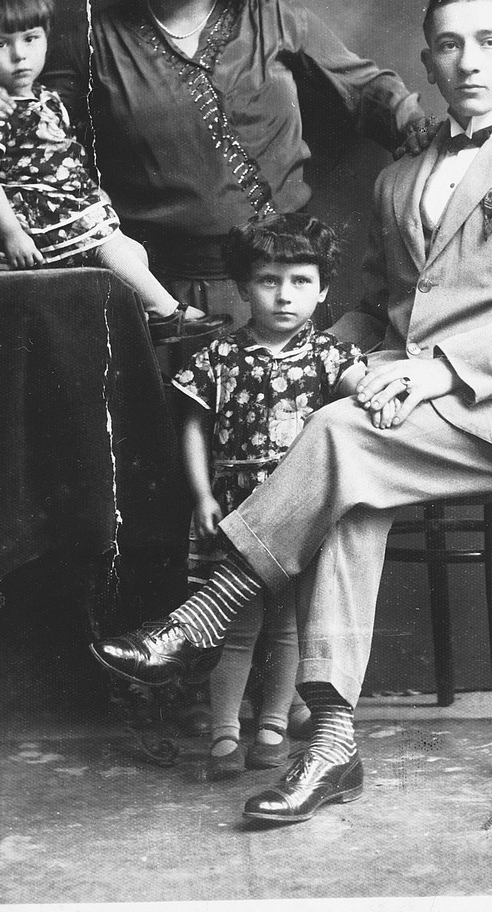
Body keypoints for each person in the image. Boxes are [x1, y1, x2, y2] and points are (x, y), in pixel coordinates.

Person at [90, 0, 492, 824]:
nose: (469, 61)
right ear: (427, 63)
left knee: (338, 435)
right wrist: (317, 360)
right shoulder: (399, 180)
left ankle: (207, 606)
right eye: (449, 44)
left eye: (489, 42)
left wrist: (435, 370)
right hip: (397, 418)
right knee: (344, 481)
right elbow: (373, 312)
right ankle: (332, 747)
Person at [0, 0, 436, 327]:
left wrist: (413, 123)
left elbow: (365, 87)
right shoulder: (96, 43)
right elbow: (21, 121)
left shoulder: (274, 17)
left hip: (280, 286)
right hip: (160, 291)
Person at [173, 213, 365, 778]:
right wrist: (202, 494)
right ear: (242, 287)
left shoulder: (328, 356)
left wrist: (382, 391)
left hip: (298, 511)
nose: (285, 296)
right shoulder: (218, 356)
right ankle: (224, 732)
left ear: (324, 289)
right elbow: (192, 427)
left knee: (287, 625)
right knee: (235, 625)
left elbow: (358, 389)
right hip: (236, 507)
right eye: (268, 281)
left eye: (301, 282)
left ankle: (274, 723)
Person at [0, 0, 229, 342]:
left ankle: (140, 319)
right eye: (0, 44)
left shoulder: (47, 98)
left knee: (132, 250)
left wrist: (92, 198)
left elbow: (65, 160)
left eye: (31, 39)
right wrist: (12, 234)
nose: (19, 55)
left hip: (57, 208)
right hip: (21, 222)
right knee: (106, 242)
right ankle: (166, 312)